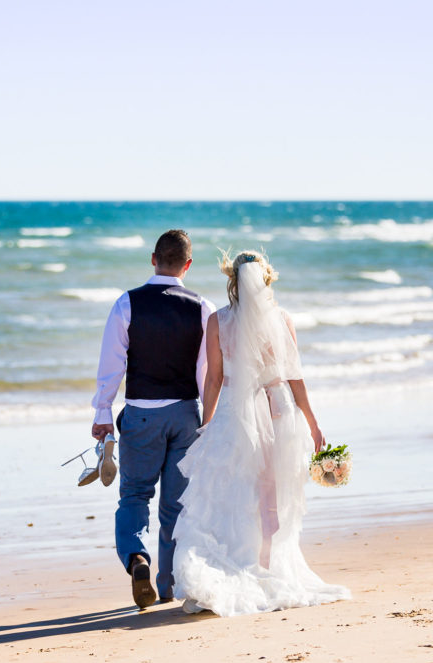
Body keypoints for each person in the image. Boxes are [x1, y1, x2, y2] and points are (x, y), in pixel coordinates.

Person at [172, 250, 351, 617]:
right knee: (273, 493)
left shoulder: (219, 321)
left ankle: (244, 563)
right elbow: (294, 377)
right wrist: (312, 422)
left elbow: (215, 378)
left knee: (234, 491)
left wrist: (207, 422)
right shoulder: (283, 320)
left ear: (232, 281)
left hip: (240, 413)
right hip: (280, 408)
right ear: (266, 280)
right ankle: (266, 566)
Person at [92, 229, 216, 609]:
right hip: (184, 415)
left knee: (134, 495)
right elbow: (206, 372)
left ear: (153, 259)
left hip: (141, 415)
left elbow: (111, 366)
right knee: (175, 505)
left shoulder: (126, 304)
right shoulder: (202, 307)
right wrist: (208, 423)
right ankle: (168, 586)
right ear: (188, 265)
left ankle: (136, 558)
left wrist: (102, 413)